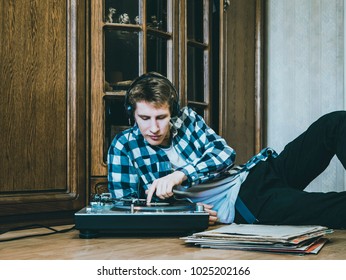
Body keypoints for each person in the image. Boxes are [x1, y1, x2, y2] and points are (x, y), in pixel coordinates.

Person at [107, 72, 346, 229]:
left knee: (335, 123)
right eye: (145, 118)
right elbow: (123, 209)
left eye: (161, 117)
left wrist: (179, 175)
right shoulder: (123, 146)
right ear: (132, 115)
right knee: (335, 208)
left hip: (257, 172)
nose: (154, 128)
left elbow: (224, 154)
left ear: (173, 113)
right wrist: (186, 213)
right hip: (246, 203)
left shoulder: (188, 119)